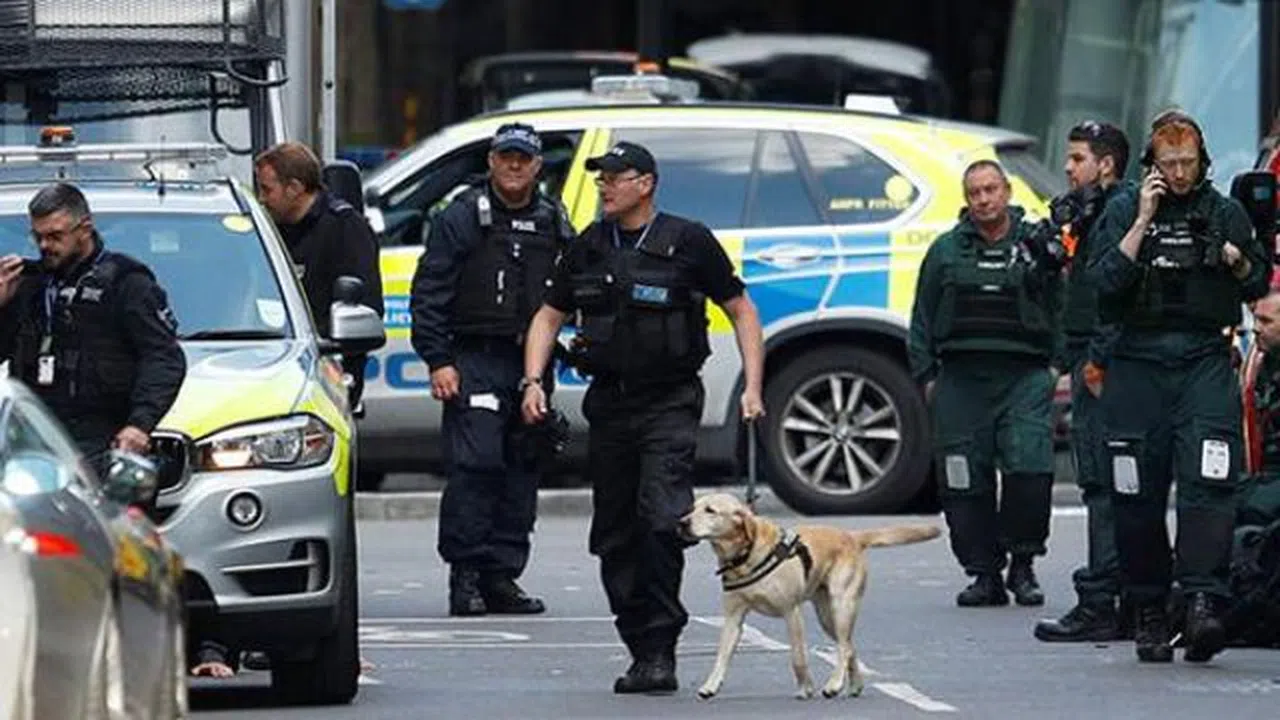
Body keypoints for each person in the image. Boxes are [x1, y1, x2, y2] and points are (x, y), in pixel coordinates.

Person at [520, 140, 765, 694]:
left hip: (669, 401)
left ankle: (660, 649)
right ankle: (638, 643)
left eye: (614, 176)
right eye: (600, 177)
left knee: (662, 519)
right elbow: (549, 315)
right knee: (614, 533)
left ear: (646, 183)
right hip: (609, 403)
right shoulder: (589, 244)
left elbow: (742, 310)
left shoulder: (688, 241)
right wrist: (533, 381)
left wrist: (753, 386)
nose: (604, 185)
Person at [1086, 108, 1271, 664]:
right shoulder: (1123, 209)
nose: (1181, 173)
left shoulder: (1224, 212)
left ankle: (1202, 603)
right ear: (1152, 166)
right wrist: (1142, 221)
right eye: (1170, 163)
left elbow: (1260, 282)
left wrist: (1237, 261)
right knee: (1135, 491)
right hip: (1138, 364)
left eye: (1189, 162)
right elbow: (1102, 284)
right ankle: (1147, 607)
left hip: (1203, 363)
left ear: (1203, 161)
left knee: (1210, 482)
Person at [410, 122, 574, 617]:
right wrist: (438, 359)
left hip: (531, 363)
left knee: (522, 467)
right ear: (491, 162)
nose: (514, 166)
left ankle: (502, 577)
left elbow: (570, 289)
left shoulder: (552, 219)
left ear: (538, 165)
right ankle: (466, 577)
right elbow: (430, 291)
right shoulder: (463, 217)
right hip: (475, 357)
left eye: (524, 158)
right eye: (506, 157)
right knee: (476, 466)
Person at [907, 159, 1064, 608]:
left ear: (1007, 191)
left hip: (1024, 378)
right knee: (962, 479)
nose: (983, 199)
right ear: (966, 197)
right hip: (960, 381)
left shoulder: (1037, 244)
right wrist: (927, 377)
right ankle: (983, 573)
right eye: (975, 192)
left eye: (991, 189)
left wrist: (1057, 366)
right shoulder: (945, 251)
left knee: (1029, 471)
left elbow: (1064, 305)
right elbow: (920, 318)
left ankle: (1023, 565)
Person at [0, 182, 186, 475]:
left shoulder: (126, 283)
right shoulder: (25, 284)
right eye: (38, 237)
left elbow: (163, 358)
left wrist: (139, 425)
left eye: (55, 236)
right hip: (35, 442)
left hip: (104, 441)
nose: (45, 246)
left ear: (85, 229)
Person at [1035, 121, 1136, 642]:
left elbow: (1114, 293)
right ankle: (1122, 598)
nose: (1069, 169)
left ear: (1106, 164)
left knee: (1101, 481)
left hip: (1106, 365)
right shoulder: (1097, 210)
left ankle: (1102, 601)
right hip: (1093, 357)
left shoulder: (1118, 209)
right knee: (1110, 482)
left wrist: (1095, 360)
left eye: (1077, 159)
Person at [254, 141, 384, 409]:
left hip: (328, 366)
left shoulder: (345, 229)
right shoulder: (267, 230)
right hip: (271, 364)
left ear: (294, 188)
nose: (262, 199)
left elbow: (366, 306)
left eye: (267, 189)